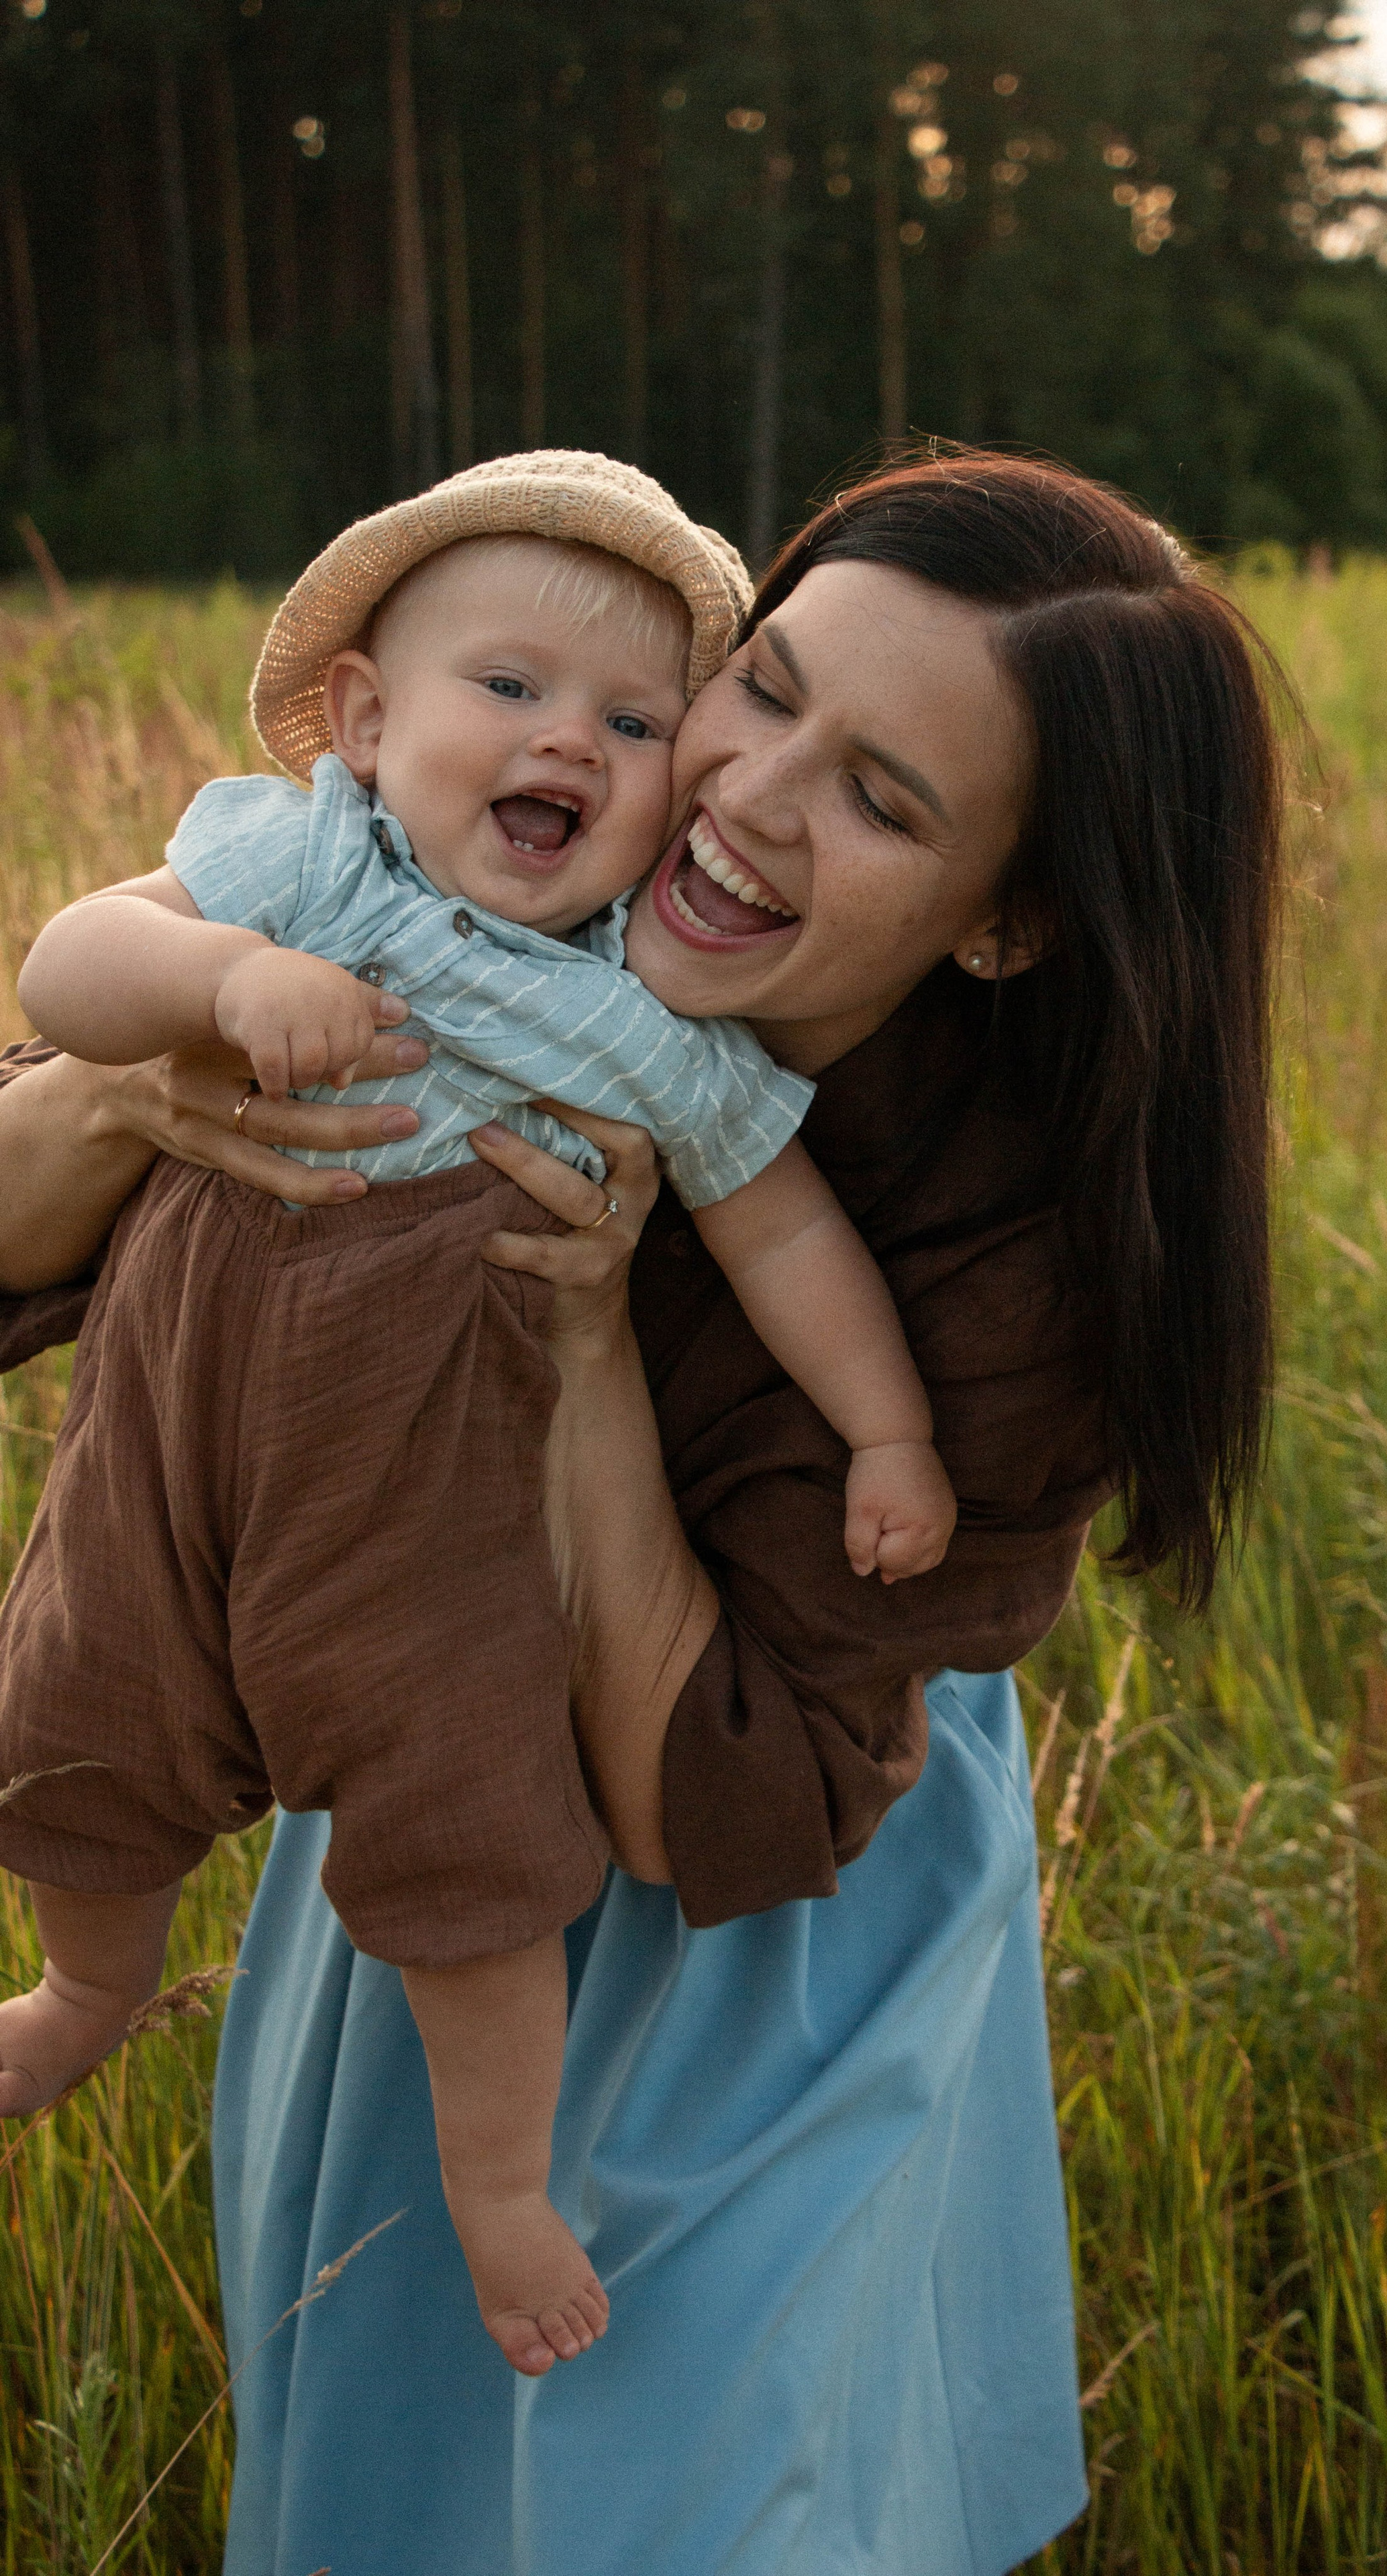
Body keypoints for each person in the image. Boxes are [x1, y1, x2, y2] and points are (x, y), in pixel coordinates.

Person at [0, 448, 1284, 2574]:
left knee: (709, 2493)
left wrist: (587, 1340)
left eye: (883, 801)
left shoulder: (1012, 1262)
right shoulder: (466, 860)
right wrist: (149, 1083)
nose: (743, 798)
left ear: (1010, 918)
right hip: (414, 1782)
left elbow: (716, 1809)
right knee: (397, 2477)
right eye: (762, 689)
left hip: (767, 1891)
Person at [0, 451, 956, 2376]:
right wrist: (224, 979)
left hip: (432, 1528)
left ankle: (502, 2184)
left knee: (477, 1848)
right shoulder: (300, 870)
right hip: (163, 1461)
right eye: (508, 688)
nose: (569, 744)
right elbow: (67, 966)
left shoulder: (646, 1029)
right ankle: (84, 1992)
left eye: (634, 723)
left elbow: (785, 1235)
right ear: (366, 723)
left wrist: (890, 1435)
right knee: (82, 1725)